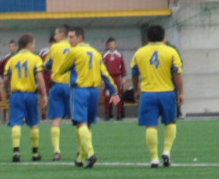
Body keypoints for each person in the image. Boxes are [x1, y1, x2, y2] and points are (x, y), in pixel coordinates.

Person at [54, 26, 120, 168]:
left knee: (80, 123)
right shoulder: (96, 53)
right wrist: (114, 91)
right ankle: (80, 157)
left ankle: (90, 154)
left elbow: (62, 68)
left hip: (79, 91)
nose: (69, 40)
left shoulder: (74, 51)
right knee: (87, 124)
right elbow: (105, 74)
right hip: (93, 92)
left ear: (79, 38)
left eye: (71, 37)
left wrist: (57, 74)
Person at [131, 25, 184, 168]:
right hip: (167, 93)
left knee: (151, 126)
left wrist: (136, 90)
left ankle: (154, 158)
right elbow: (177, 73)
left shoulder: (139, 53)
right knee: (170, 123)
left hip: (148, 94)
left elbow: (135, 74)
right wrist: (181, 92)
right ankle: (166, 151)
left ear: (147, 37)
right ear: (163, 36)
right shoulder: (171, 52)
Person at [1, 33, 48, 162]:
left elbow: (5, 79)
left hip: (16, 95)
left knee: (16, 123)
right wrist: (44, 95)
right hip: (30, 94)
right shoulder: (35, 59)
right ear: (29, 45)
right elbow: (39, 77)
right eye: (33, 43)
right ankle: (35, 153)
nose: (34, 46)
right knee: (33, 123)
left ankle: (16, 151)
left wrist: (7, 91)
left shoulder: (12, 60)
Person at [43, 24, 72, 161]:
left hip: (57, 86)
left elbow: (46, 65)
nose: (54, 37)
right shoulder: (75, 47)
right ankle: (81, 151)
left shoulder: (54, 48)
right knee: (79, 120)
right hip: (72, 87)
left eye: (56, 34)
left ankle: (56, 151)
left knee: (56, 119)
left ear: (62, 34)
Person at [102, 37, 127, 120]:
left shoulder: (119, 54)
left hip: (117, 77)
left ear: (115, 45)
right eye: (110, 44)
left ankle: (119, 114)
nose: (112, 46)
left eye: (113, 44)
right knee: (107, 96)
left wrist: (123, 77)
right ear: (108, 45)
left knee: (117, 96)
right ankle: (107, 114)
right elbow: (102, 67)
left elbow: (123, 67)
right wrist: (102, 78)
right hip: (108, 78)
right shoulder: (105, 55)